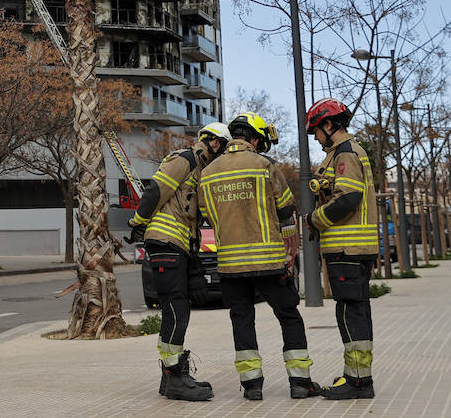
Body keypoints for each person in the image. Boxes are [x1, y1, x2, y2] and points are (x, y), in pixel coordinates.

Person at [199, 113, 322, 400]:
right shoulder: (264, 165)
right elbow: (284, 210)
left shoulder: (209, 173)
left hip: (230, 264)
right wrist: (290, 250)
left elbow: (207, 215)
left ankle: (252, 385)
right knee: (289, 316)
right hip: (269, 260)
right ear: (254, 138)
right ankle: (300, 382)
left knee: (241, 319)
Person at [127, 121, 231, 401]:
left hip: (178, 247)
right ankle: (174, 377)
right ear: (215, 143)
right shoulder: (184, 159)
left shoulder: (200, 170)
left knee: (180, 307)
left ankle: (170, 377)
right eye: (224, 148)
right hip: (165, 243)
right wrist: (137, 221)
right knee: (175, 308)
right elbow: (155, 191)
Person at [306, 98, 379, 400]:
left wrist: (315, 219)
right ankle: (356, 376)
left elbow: (348, 199)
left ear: (327, 125)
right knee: (354, 311)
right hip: (352, 249)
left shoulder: (345, 155)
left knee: (351, 314)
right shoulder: (342, 153)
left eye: (316, 132)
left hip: (348, 248)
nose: (315, 138)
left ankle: (359, 383)